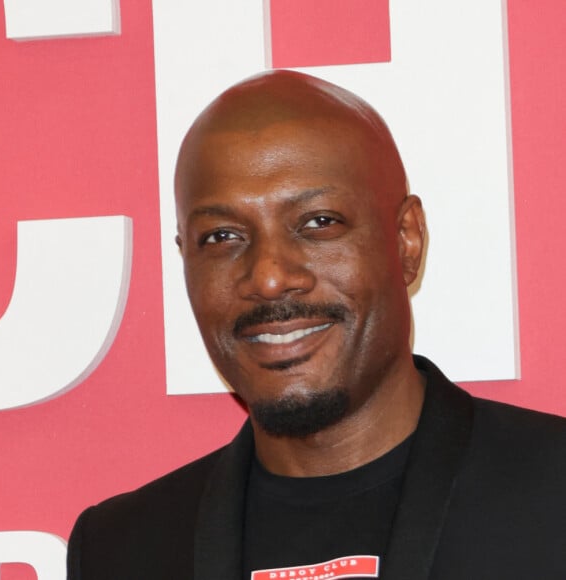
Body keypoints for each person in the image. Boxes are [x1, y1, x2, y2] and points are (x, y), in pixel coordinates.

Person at [67, 70, 566, 580]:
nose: (268, 278)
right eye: (221, 237)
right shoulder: (118, 551)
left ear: (407, 242)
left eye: (318, 223)